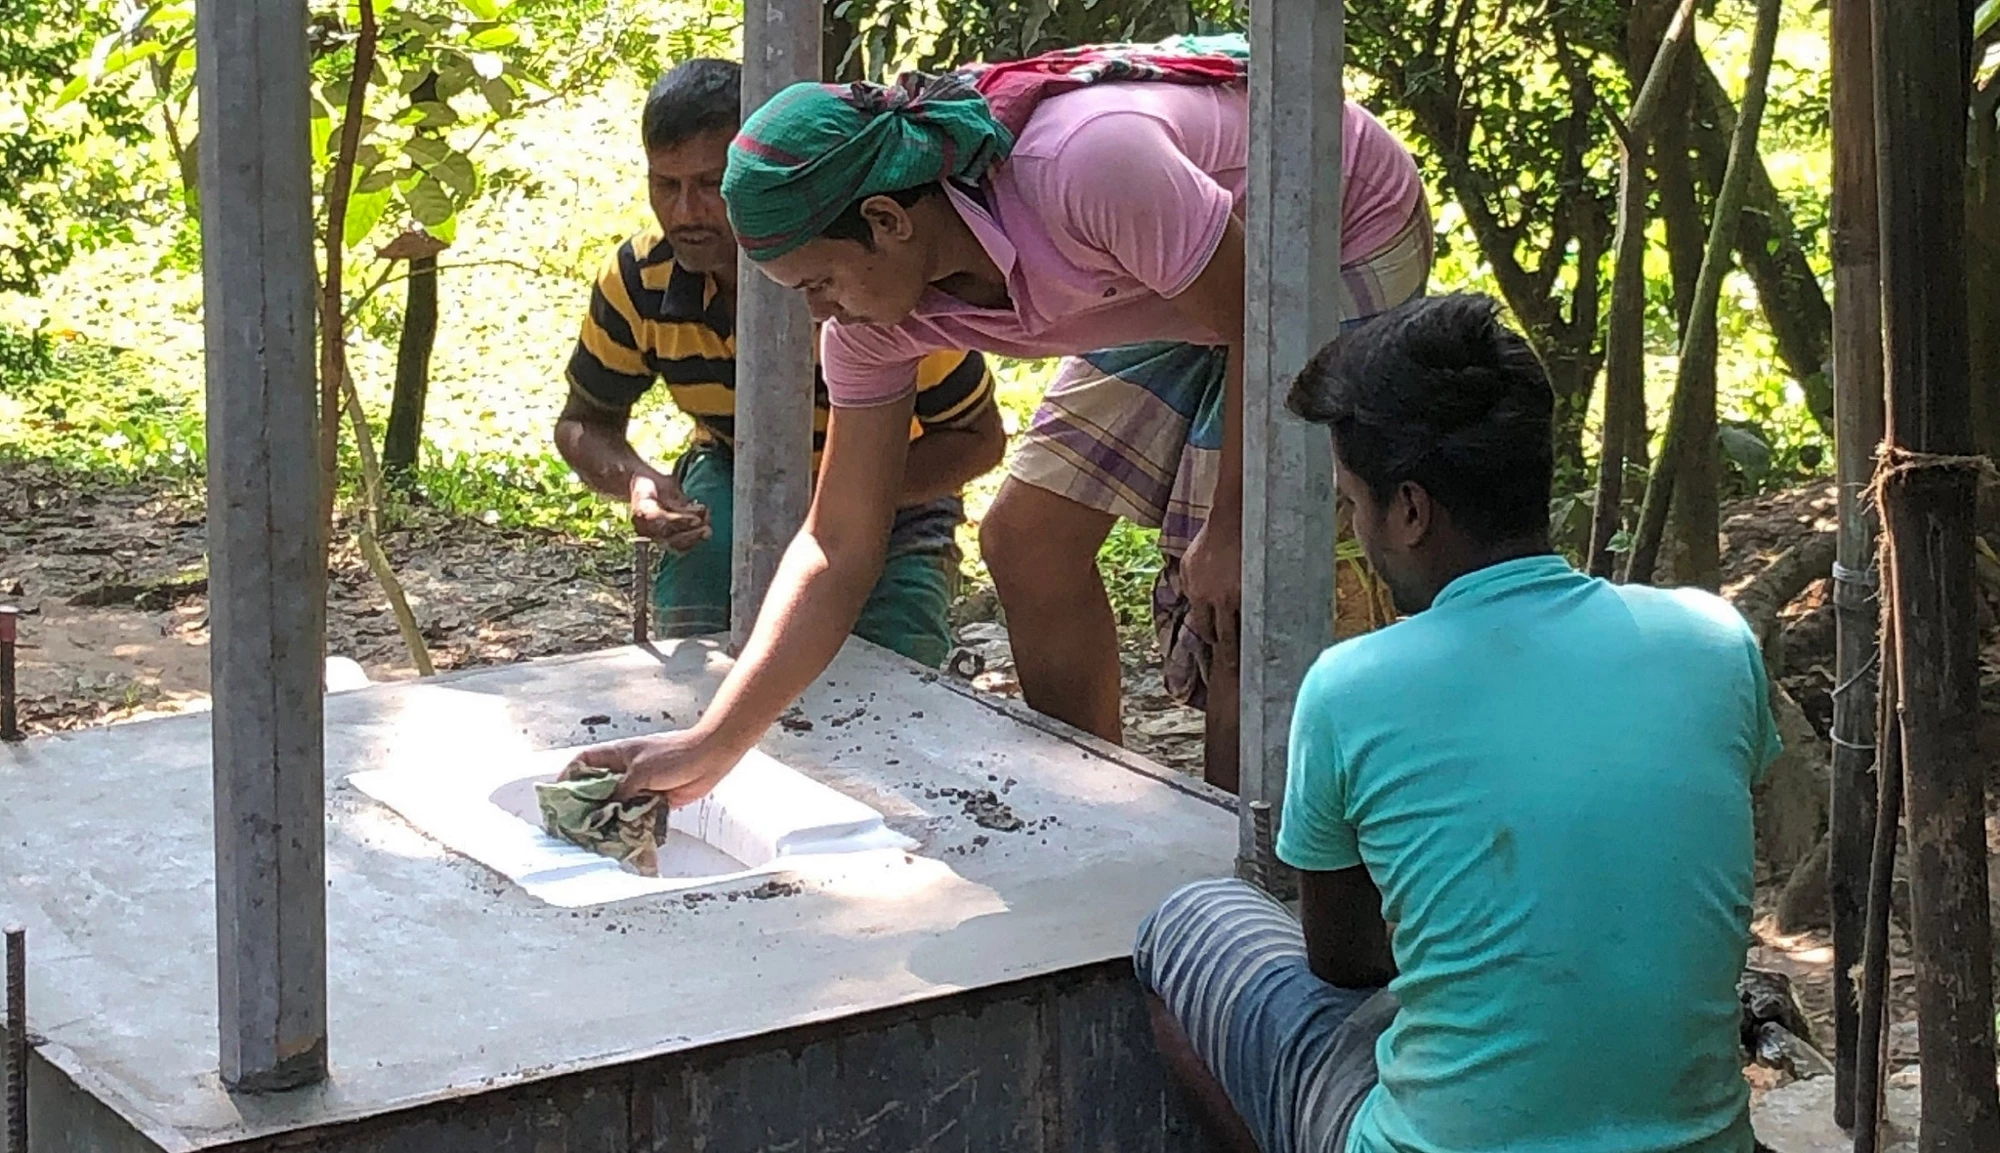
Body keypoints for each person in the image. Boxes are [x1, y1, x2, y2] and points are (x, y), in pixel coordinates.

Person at [571, 35, 1430, 804]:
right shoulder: (875, 320)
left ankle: (1250, 869)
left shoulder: (1087, 167)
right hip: (1165, 278)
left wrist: (1236, 524)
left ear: (885, 220)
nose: (821, 317)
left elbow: (1259, 319)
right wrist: (712, 743)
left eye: (821, 285)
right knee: (1025, 536)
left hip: (1329, 230)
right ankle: (1102, 808)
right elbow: (837, 543)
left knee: (1233, 588)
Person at [1134, 294, 1778, 1153]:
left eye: (1352, 503)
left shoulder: (1353, 685)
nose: (1356, 530)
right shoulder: (1714, 639)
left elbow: (1343, 960)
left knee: (1185, 923)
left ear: (1409, 509)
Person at [554, 58, 1003, 668]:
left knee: (892, 665)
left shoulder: (866, 278)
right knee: (694, 645)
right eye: (667, 185)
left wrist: (848, 497)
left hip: (898, 491)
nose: (686, 212)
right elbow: (585, 422)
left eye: (711, 185)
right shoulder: (638, 280)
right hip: (731, 466)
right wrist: (636, 481)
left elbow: (976, 440)